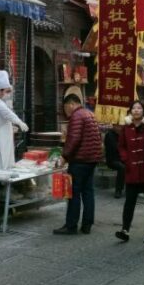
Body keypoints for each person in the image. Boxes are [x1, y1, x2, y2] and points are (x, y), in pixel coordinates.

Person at [53, 93, 103, 235]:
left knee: (74, 193)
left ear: (71, 104)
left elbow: (73, 139)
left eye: (65, 107)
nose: (65, 111)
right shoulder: (89, 114)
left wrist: (64, 157)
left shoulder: (76, 116)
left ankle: (71, 225)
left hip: (80, 160)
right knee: (88, 192)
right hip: (92, 159)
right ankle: (87, 224)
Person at [115, 100, 144, 243]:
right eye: (134, 108)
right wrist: (126, 159)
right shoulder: (126, 128)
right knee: (129, 202)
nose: (136, 110)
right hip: (131, 169)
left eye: (139, 108)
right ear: (130, 111)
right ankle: (125, 229)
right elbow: (121, 146)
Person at [0, 70, 29, 170]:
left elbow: (5, 118)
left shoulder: (0, 102)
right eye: (7, 91)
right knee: (0, 166)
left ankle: (5, 185)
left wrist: (11, 126)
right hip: (0, 139)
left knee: (6, 166)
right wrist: (20, 122)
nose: (8, 94)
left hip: (4, 138)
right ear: (0, 90)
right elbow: (9, 115)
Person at [104, 124, 125, 198]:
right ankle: (118, 190)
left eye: (121, 126)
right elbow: (116, 148)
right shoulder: (109, 135)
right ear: (114, 126)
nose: (120, 127)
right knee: (122, 168)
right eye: (118, 126)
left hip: (122, 159)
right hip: (112, 160)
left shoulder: (123, 134)